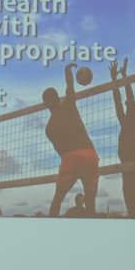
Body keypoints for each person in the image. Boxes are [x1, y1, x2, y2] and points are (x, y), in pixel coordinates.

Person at [42, 62, 99, 217]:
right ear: (58, 98)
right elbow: (70, 86)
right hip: (90, 155)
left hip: (70, 158)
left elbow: (60, 151)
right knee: (90, 203)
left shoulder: (49, 129)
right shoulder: (68, 105)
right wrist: (68, 71)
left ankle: (50, 225)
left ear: (45, 104)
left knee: (58, 199)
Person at [109, 58, 135, 218]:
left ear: (134, 112)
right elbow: (118, 103)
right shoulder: (126, 124)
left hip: (134, 170)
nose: (127, 106)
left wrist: (124, 78)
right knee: (133, 212)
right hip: (127, 170)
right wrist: (115, 80)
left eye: (130, 107)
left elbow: (129, 100)